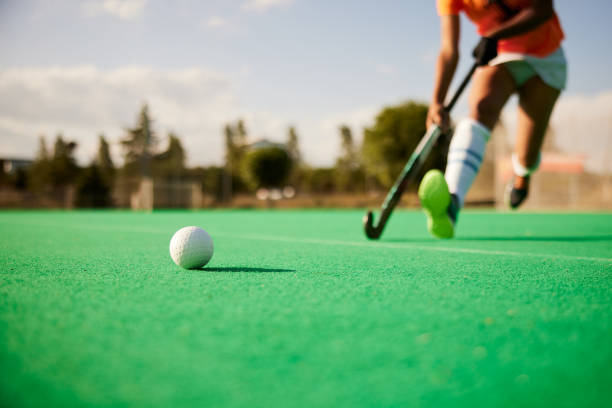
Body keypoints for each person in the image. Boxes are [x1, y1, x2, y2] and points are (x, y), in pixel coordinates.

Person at [418, 0, 567, 239]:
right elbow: (449, 49)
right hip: (500, 52)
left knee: (527, 157)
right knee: (481, 109)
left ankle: (522, 177)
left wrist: (495, 35)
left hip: (545, 56)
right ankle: (451, 204)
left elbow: (543, 10)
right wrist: (437, 101)